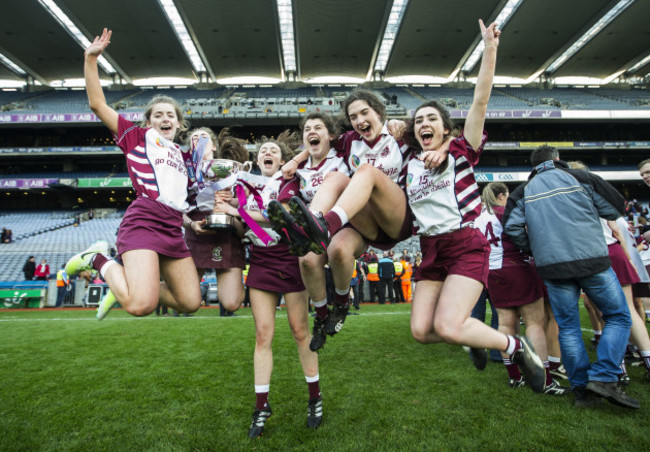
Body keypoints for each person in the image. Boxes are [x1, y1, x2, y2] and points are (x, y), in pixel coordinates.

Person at [400, 20, 544, 392]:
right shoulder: (408, 165)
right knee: (421, 331)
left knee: (448, 325)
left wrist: (490, 48)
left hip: (465, 243)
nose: (423, 123)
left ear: (446, 129)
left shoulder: (461, 151)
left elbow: (480, 98)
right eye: (418, 121)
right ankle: (472, 338)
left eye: (431, 118)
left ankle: (514, 346)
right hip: (430, 249)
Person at [65, 28, 201, 319]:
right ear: (149, 122)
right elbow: (97, 105)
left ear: (179, 124)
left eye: (170, 115)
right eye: (158, 115)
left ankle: (125, 284)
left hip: (173, 227)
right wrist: (91, 59)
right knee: (141, 306)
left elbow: (184, 197)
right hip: (144, 221)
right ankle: (96, 258)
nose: (165, 118)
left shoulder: (184, 155)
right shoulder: (137, 136)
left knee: (190, 302)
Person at [276, 88, 417, 345]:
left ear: (380, 112)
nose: (360, 120)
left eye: (365, 112)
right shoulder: (350, 140)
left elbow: (445, 136)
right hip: (366, 224)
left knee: (366, 171)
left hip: (397, 219)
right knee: (325, 252)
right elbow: (318, 141)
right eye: (354, 116)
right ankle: (332, 307)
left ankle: (323, 225)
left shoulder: (401, 134)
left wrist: (407, 126)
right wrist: (297, 159)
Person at [503, 145, 638, 409]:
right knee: (619, 315)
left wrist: (534, 247)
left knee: (568, 328)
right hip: (592, 262)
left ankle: (581, 391)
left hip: (553, 268)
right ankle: (604, 377)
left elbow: (512, 227)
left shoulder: (522, 192)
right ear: (557, 159)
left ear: (534, 166)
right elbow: (615, 208)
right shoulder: (581, 177)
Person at [212, 136, 323, 437]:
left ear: (282, 157)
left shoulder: (289, 181)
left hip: (289, 256)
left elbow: (278, 219)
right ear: (257, 160)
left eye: (274, 150)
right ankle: (261, 406)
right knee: (263, 335)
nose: (268, 153)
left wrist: (240, 213)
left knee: (300, 331)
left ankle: (315, 397)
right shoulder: (244, 187)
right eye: (263, 151)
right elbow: (247, 229)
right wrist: (223, 213)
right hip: (260, 259)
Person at [266, 112, 351, 351]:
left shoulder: (342, 155)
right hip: (315, 232)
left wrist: (297, 157)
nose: (312, 132)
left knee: (339, 251)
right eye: (307, 129)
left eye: (318, 128)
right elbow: (285, 201)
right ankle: (322, 316)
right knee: (306, 261)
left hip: (345, 223)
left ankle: (342, 303)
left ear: (331, 135)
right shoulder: (299, 171)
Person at [475, 182, 568, 395]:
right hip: (517, 267)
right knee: (535, 323)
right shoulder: (507, 212)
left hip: (493, 272)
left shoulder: (478, 219)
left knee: (506, 326)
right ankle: (544, 379)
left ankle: (515, 377)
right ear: (501, 196)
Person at [182, 127, 247, 317]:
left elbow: (246, 203)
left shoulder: (231, 169)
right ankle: (134, 288)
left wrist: (230, 201)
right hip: (197, 228)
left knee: (232, 302)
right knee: (186, 301)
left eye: (204, 137)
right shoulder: (182, 171)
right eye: (195, 138)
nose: (200, 140)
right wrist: (190, 224)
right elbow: (174, 208)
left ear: (213, 146)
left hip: (227, 229)